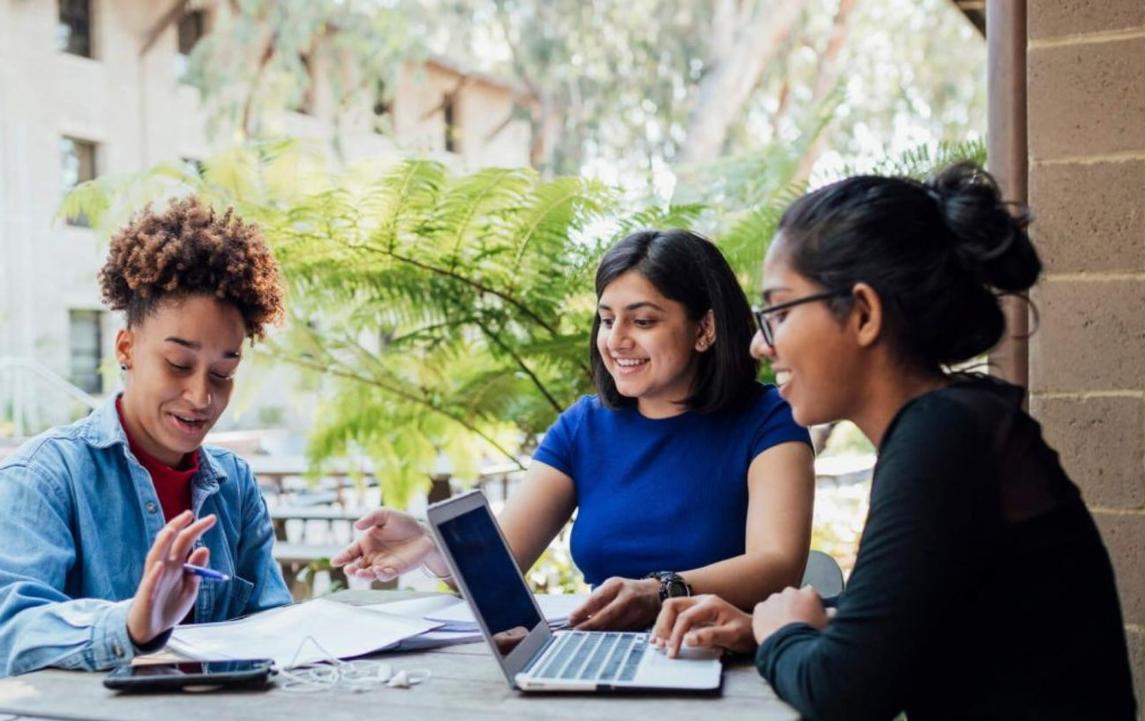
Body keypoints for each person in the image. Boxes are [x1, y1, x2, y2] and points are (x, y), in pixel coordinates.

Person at [653, 163, 1145, 721]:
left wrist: (780, 634)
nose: (758, 343)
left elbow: (846, 696)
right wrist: (769, 627)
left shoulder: (942, 438)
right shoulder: (959, 422)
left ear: (862, 313)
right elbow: (900, 627)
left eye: (775, 310)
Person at [333, 228, 815, 632]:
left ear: (705, 329)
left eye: (642, 320)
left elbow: (777, 565)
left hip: (723, 656)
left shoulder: (768, 419)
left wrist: (661, 590)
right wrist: (428, 545)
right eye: (606, 320)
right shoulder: (583, 427)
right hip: (605, 652)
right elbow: (500, 565)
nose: (616, 339)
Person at [0, 196, 291, 679]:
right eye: (178, 364)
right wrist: (130, 626)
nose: (201, 396)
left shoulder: (234, 484)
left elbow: (270, 623)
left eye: (223, 372)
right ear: (127, 349)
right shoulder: (41, 479)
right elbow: (3, 632)